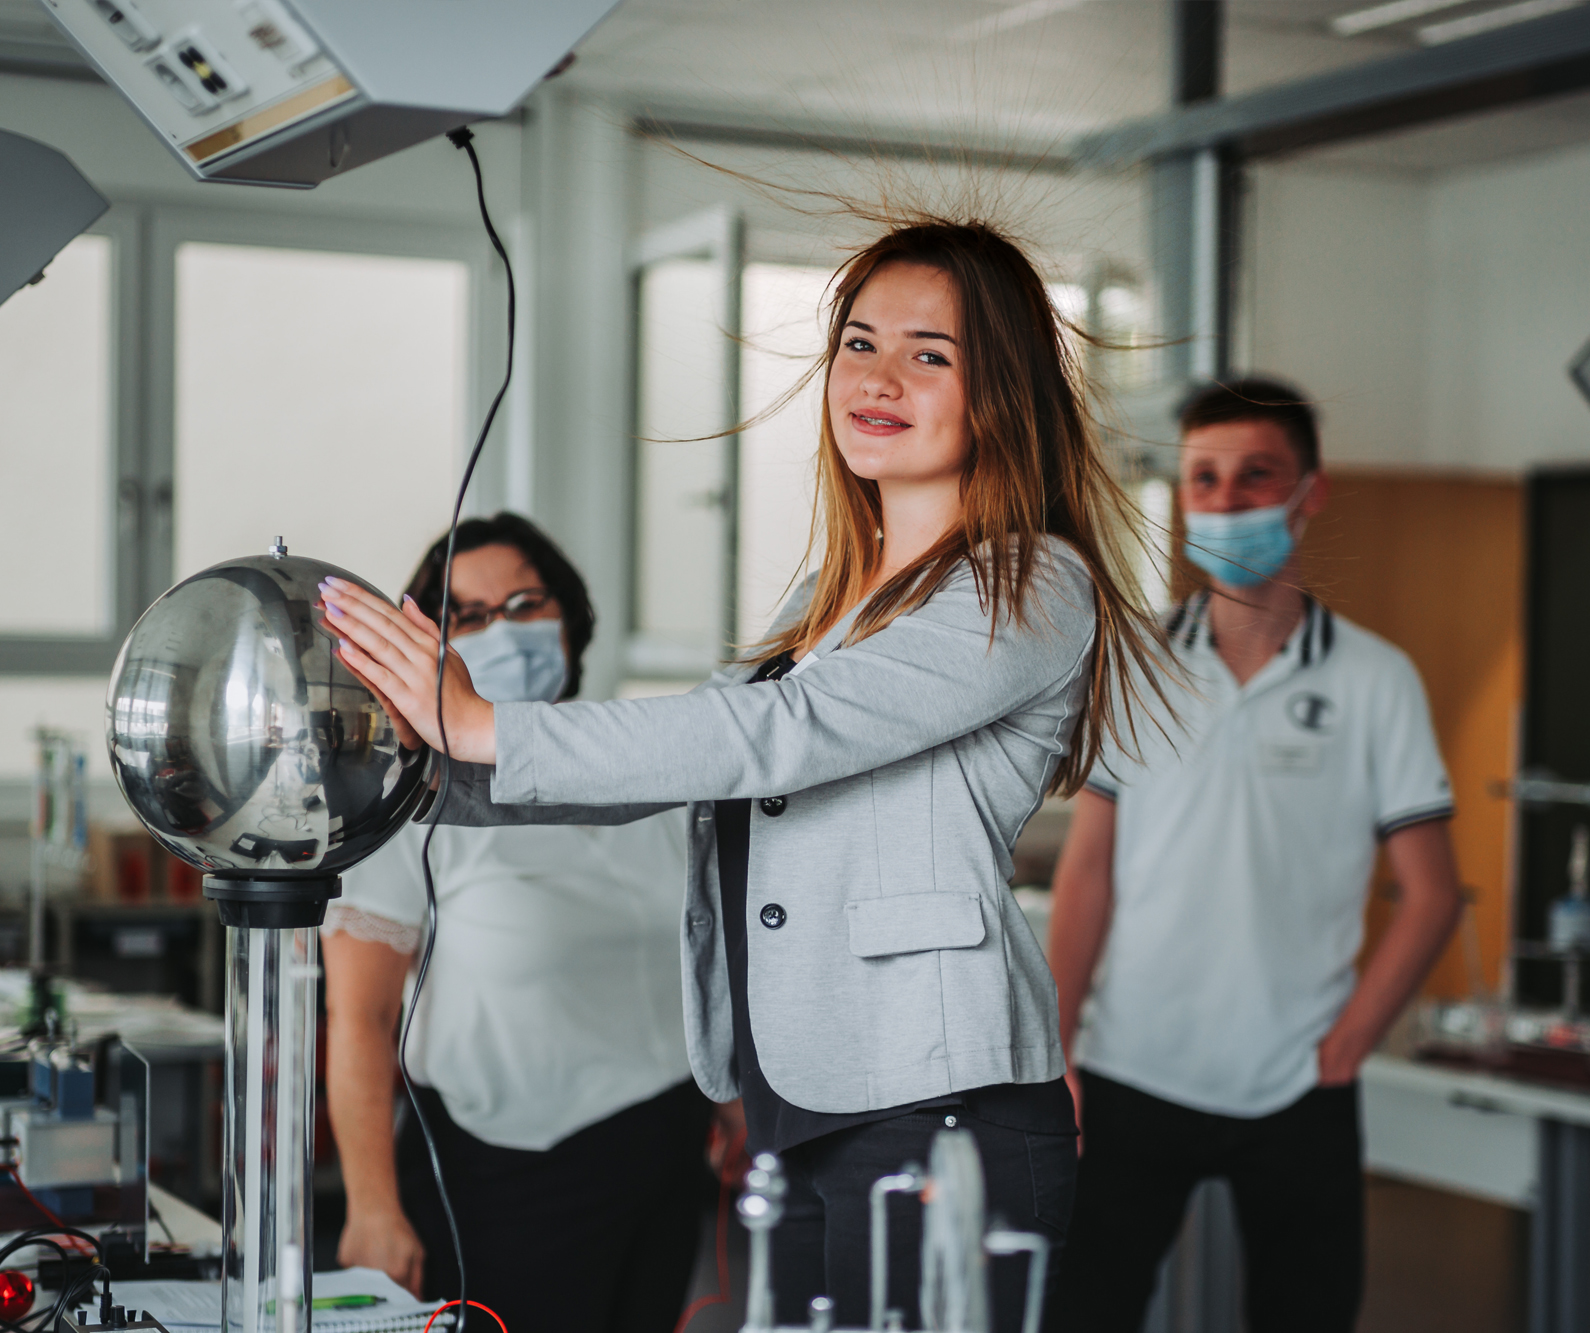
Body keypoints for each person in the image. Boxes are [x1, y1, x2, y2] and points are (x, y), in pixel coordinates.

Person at [320, 219, 1169, 1330]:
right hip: (805, 1099)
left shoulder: (1028, 580)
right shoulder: (834, 590)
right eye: (858, 344)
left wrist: (483, 724)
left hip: (937, 1094)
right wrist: (419, 778)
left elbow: (779, 732)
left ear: (1001, 388)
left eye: (929, 354)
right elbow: (706, 752)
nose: (877, 378)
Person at [1043, 378, 1465, 1332]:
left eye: (1254, 476)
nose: (1226, 501)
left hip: (1297, 1084)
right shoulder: (1132, 662)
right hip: (1129, 1071)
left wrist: (1350, 1040)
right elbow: (1090, 873)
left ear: (1309, 492)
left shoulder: (1374, 679)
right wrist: (1056, 1041)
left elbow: (1431, 893)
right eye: (1204, 479)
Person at [322, 513, 715, 1333]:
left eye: (525, 601)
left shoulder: (645, 764)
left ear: (569, 617)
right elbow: (359, 1016)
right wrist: (371, 1205)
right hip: (499, 1171)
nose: (500, 628)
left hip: (663, 1151)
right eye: (464, 615)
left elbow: (703, 957)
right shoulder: (412, 796)